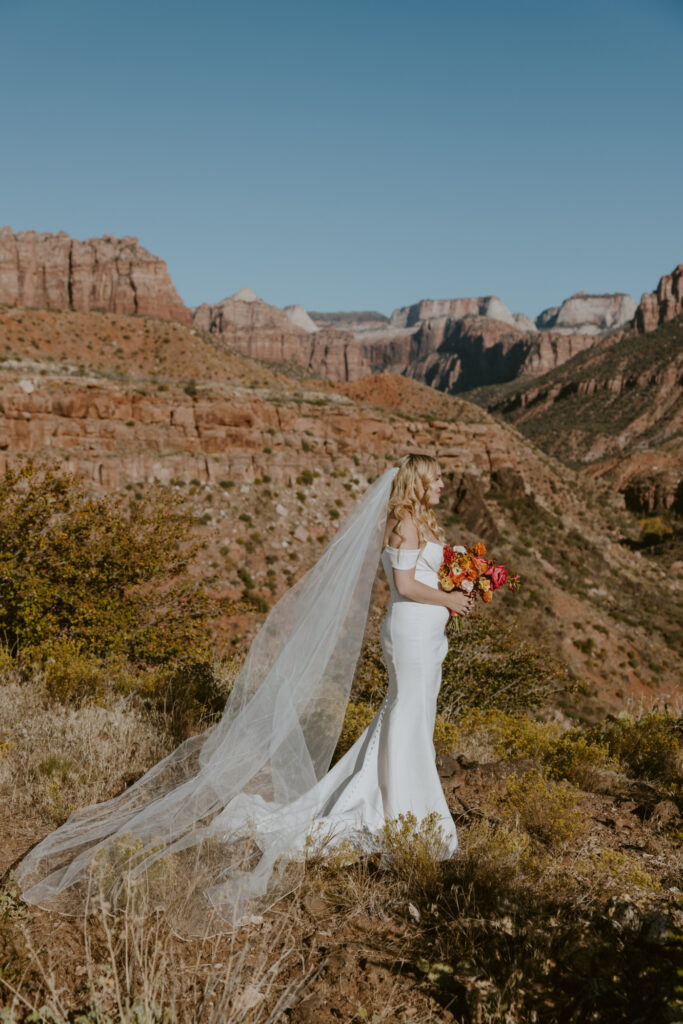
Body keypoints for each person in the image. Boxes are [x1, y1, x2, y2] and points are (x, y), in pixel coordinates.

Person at [15, 453, 473, 935]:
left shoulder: (421, 520)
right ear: (419, 481)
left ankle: (405, 804)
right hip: (410, 633)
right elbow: (403, 584)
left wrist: (462, 584)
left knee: (414, 715)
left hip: (428, 634)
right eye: (438, 476)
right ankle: (406, 807)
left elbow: (423, 575)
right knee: (405, 714)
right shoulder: (401, 523)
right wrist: (448, 597)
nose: (444, 483)